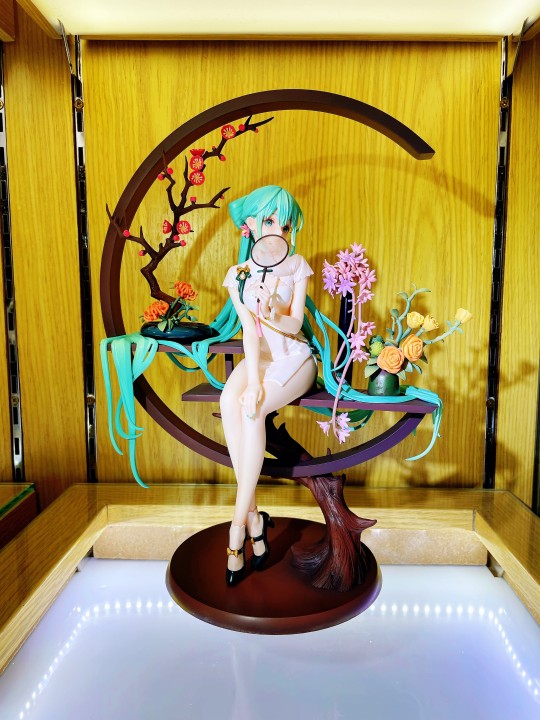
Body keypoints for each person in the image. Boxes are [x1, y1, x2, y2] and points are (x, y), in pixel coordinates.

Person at [221, 185, 318, 586]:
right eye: (271, 220)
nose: (279, 229)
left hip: (295, 357)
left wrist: (275, 310)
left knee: (253, 409)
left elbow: (294, 325)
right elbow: (248, 332)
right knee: (230, 400)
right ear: (250, 224)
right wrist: (253, 380)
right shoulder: (238, 275)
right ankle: (256, 519)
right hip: (260, 356)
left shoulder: (296, 265)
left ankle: (236, 531)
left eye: (285, 223)